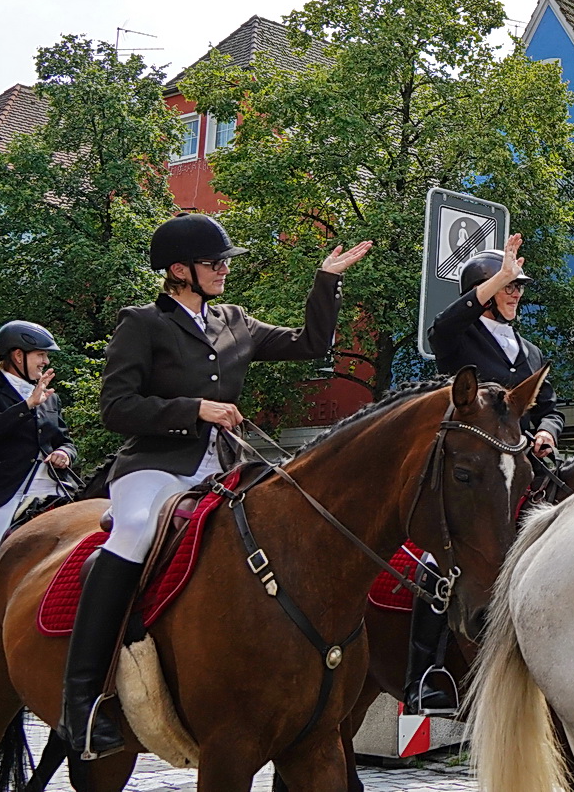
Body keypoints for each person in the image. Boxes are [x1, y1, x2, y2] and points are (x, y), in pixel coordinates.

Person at [55, 214, 370, 759]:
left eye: (225, 261)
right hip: (154, 466)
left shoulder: (235, 321)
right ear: (178, 271)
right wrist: (194, 408)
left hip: (222, 470)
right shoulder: (142, 324)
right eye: (213, 262)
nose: (225, 269)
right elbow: (115, 407)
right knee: (131, 531)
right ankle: (82, 701)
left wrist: (327, 280)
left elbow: (311, 344)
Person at [415, 232, 562, 714]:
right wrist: (496, 275)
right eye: (507, 285)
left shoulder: (532, 352)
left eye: (519, 285)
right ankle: (427, 674)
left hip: (519, 468)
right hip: (470, 471)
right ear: (483, 291)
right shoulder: (460, 337)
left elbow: (552, 409)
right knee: (442, 563)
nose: (517, 292)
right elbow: (441, 324)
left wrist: (548, 433)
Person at [0, 321, 78, 615]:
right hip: (3, 491)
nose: (46, 361)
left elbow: (64, 440)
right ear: (18, 355)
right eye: (40, 354)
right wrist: (26, 405)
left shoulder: (50, 398)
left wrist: (64, 453)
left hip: (53, 487)